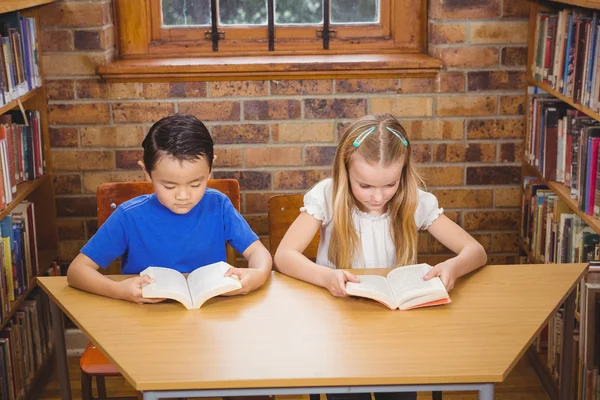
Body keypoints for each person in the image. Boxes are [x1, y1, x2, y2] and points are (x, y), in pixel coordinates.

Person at [274, 114, 487, 400]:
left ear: (403, 173)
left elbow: (476, 252)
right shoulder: (326, 196)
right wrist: (326, 277)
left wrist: (453, 267)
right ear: (345, 169)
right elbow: (284, 256)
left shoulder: (415, 201)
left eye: (390, 185)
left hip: (396, 330)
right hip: (341, 325)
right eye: (365, 186)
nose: (378, 197)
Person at [67, 113, 272, 303]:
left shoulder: (218, 205)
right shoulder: (129, 216)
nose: (183, 196)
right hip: (144, 320)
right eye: (169, 186)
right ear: (147, 173)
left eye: (195, 184)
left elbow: (258, 253)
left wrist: (258, 275)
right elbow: (76, 271)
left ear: (210, 169)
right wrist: (119, 290)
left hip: (210, 318)